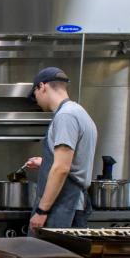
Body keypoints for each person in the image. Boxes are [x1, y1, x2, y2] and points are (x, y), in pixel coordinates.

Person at [22, 67, 98, 231]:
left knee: (50, 256)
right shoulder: (80, 112)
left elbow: (62, 168)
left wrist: (42, 211)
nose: (36, 100)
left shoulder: (66, 116)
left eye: (35, 94)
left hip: (62, 207)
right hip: (71, 204)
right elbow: (74, 162)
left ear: (42, 86)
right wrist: (45, 163)